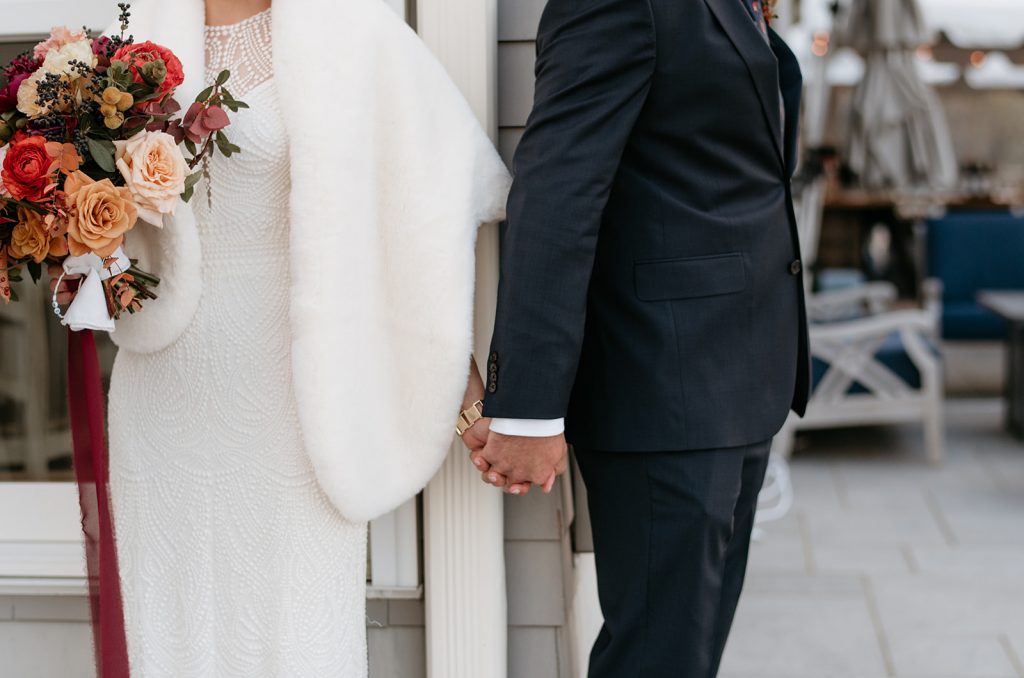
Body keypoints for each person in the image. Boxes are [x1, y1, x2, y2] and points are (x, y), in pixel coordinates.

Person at [52, 0, 508, 675]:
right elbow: (96, 223)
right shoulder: (130, 35)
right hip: (165, 392)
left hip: (294, 389)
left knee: (295, 631)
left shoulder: (354, 29)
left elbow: (419, 219)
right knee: (171, 628)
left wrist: (463, 392)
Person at [471, 0, 809, 675]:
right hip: (666, 385)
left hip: (737, 376)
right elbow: (558, 190)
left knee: (691, 653)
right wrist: (527, 411)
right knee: (658, 659)